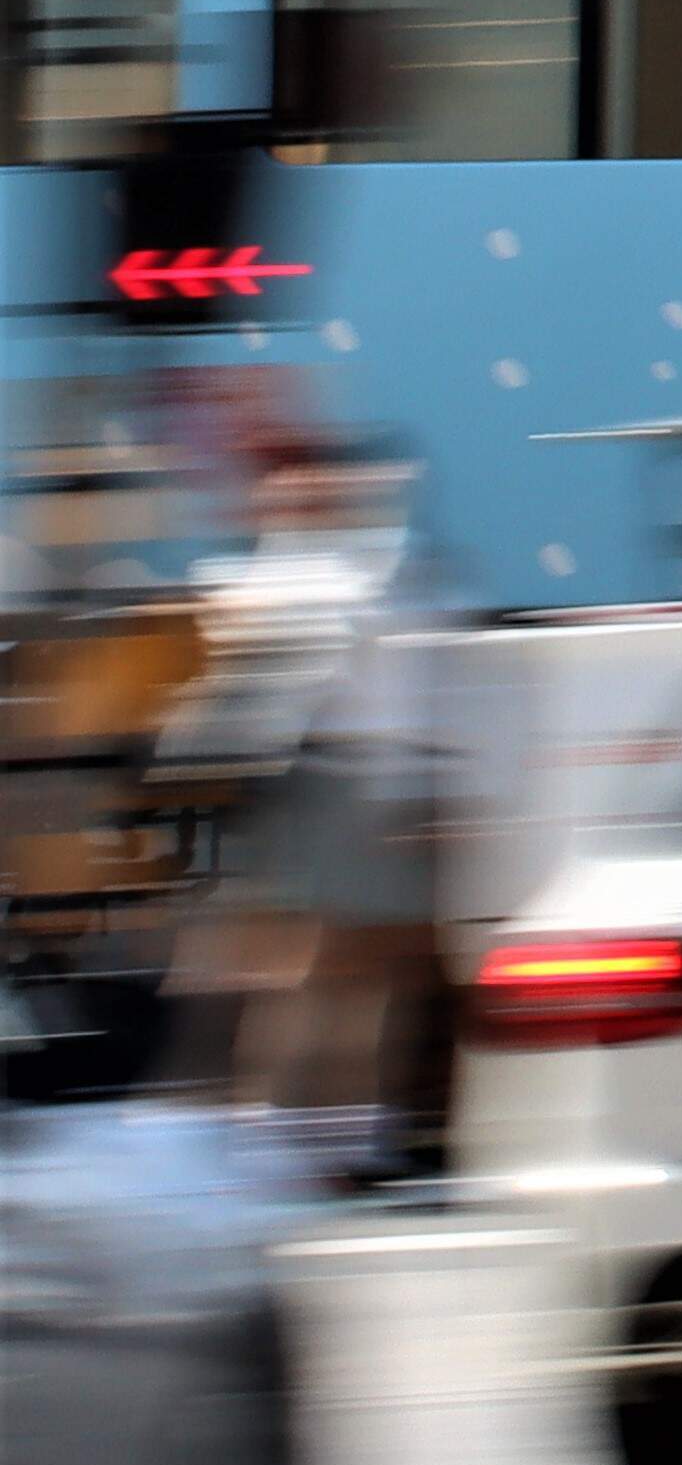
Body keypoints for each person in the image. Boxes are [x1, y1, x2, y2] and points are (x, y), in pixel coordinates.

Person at [157, 430, 447, 1187]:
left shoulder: (337, 569)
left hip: (333, 788)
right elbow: (305, 688)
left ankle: (324, 1135)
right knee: (317, 971)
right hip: (321, 787)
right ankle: (294, 1138)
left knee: (351, 975)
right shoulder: (325, 574)